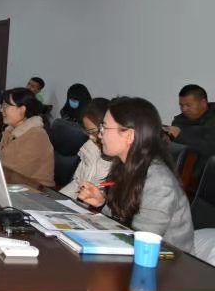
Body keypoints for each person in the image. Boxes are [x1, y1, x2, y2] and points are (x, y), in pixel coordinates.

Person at [77, 97, 194, 252]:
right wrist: (102, 203)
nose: (99, 135)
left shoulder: (159, 182)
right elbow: (121, 222)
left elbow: (140, 243)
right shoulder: (124, 165)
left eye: (104, 128)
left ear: (129, 135)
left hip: (166, 261)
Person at [0, 88, 54, 187]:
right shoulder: (10, 131)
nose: (1, 110)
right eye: (2, 105)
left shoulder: (37, 136)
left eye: (6, 106)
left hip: (35, 190)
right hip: (12, 184)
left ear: (22, 109)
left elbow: (17, 173)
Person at [59, 98, 113, 197]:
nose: (91, 137)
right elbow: (77, 183)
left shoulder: (118, 157)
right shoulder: (90, 147)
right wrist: (58, 200)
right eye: (88, 132)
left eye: (93, 132)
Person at [165, 84, 215, 177]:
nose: (184, 109)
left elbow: (210, 147)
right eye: (181, 105)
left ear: (203, 103)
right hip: (180, 174)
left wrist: (180, 135)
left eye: (188, 105)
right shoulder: (179, 121)